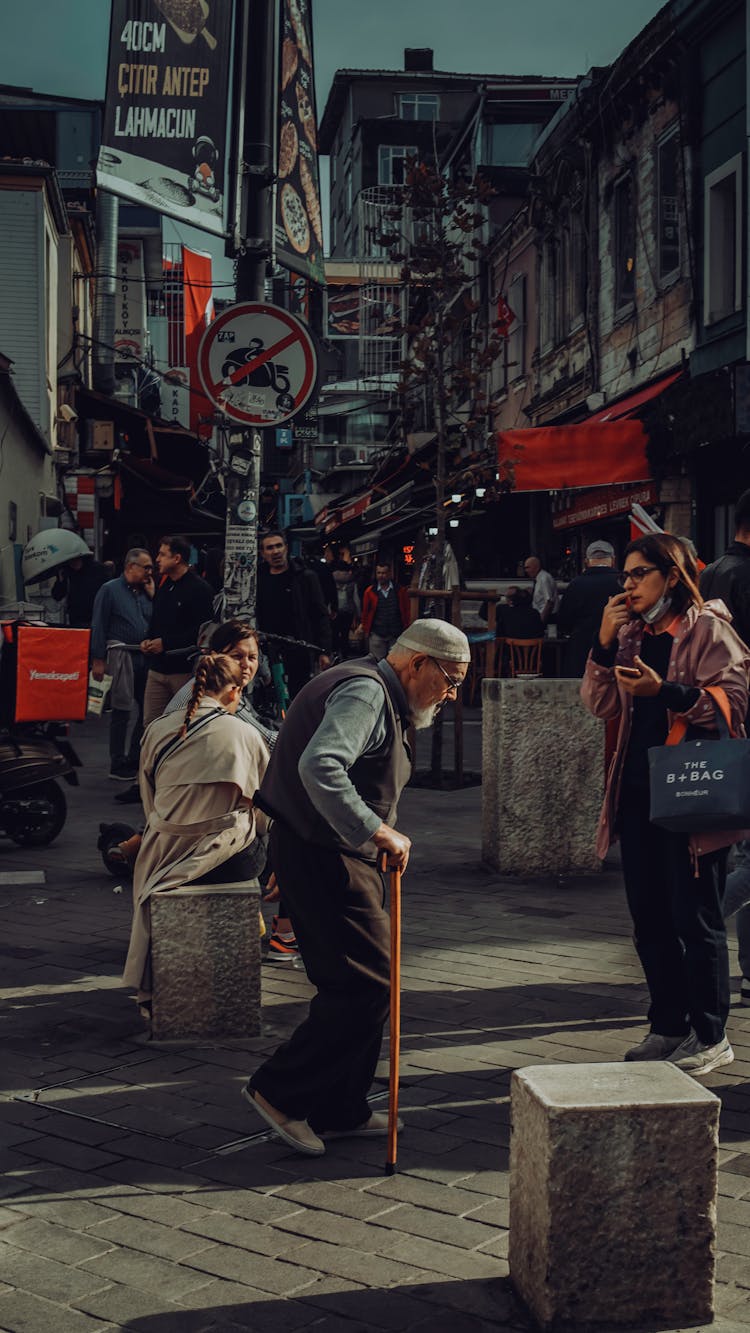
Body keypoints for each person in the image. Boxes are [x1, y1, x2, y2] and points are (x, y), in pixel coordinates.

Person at [243, 618, 471, 1156]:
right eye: (450, 679)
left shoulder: (369, 683)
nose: (452, 694)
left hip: (327, 850)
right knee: (364, 984)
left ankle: (340, 1105)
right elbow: (320, 765)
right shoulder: (368, 692)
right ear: (417, 663)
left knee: (366, 978)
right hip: (329, 855)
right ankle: (280, 1091)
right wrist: (377, 829)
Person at [581, 532, 750, 1075]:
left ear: (671, 577)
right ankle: (668, 1025)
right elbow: (600, 704)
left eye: (638, 574)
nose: (627, 585)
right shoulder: (631, 634)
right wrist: (604, 645)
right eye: (624, 576)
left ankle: (710, 1034)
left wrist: (667, 694)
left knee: (694, 918)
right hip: (637, 793)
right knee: (648, 917)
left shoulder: (709, 629)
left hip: (693, 796)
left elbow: (735, 702)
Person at [123, 652, 269, 1004]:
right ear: (234, 692)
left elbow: (150, 799)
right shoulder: (244, 734)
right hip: (229, 856)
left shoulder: (157, 729)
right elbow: (265, 805)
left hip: (164, 851)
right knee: (259, 837)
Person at [701, 489, 750, 1005]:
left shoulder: (711, 572)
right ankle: (696, 922)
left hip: (723, 724)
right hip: (745, 717)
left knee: (745, 848)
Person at [91, 548, 155, 782]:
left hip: (144, 657)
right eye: (146, 567)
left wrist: (153, 594)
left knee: (147, 709)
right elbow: (98, 624)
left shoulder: (146, 591)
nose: (150, 571)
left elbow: (154, 620)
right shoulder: (109, 590)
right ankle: (117, 761)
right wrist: (98, 660)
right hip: (121, 657)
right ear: (130, 567)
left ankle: (134, 757)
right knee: (121, 709)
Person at [140, 535, 214, 727]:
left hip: (183, 672)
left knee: (183, 724)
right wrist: (147, 640)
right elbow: (157, 621)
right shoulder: (165, 585)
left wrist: (165, 643)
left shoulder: (199, 589)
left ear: (177, 558)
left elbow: (202, 632)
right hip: (157, 670)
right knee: (151, 725)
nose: (157, 559)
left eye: (163, 554)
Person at [256, 530, 332, 699]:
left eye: (278, 546)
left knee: (300, 696)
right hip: (269, 650)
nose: (275, 551)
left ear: (286, 548)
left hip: (300, 647)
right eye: (269, 548)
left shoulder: (305, 577)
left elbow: (320, 614)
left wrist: (325, 650)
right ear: (263, 553)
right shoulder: (258, 579)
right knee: (273, 697)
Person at [558, 540, 621, 677]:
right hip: (618, 648)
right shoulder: (623, 582)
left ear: (587, 561)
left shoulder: (576, 584)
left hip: (582, 649)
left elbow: (564, 620)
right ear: (613, 560)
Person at [361, 561, 410, 661]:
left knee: (395, 662)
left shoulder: (400, 590)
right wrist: (366, 630)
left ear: (389, 574)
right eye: (379, 573)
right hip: (377, 633)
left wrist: (406, 628)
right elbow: (365, 612)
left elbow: (406, 610)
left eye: (383, 573)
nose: (381, 576)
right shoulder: (370, 591)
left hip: (395, 633)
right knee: (377, 663)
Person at [51, 553, 109, 628]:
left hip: (96, 616)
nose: (73, 563)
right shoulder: (66, 571)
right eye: (70, 561)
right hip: (76, 619)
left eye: (75, 560)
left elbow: (107, 591)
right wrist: (60, 580)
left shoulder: (97, 569)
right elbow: (57, 595)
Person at [329, 547, 361, 658]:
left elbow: (328, 596)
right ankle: (345, 655)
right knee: (345, 634)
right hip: (348, 611)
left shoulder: (331, 580)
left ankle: (335, 654)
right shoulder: (351, 581)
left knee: (334, 633)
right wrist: (358, 614)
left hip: (335, 611)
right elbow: (356, 598)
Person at [523, 555, 558, 628]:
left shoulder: (544, 579)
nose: (526, 571)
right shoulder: (539, 579)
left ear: (536, 567)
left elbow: (549, 602)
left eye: (528, 567)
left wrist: (541, 622)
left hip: (546, 617)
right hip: (540, 616)